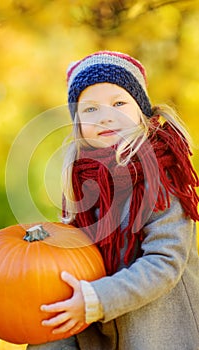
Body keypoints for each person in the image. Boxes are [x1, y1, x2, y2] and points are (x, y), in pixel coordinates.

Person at [27, 51, 199, 350]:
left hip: (160, 332)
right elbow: (75, 263)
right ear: (77, 124)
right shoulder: (82, 184)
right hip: (103, 331)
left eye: (119, 103)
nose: (106, 115)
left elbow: (165, 261)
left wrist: (96, 299)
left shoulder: (161, 172)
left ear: (142, 111)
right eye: (90, 109)